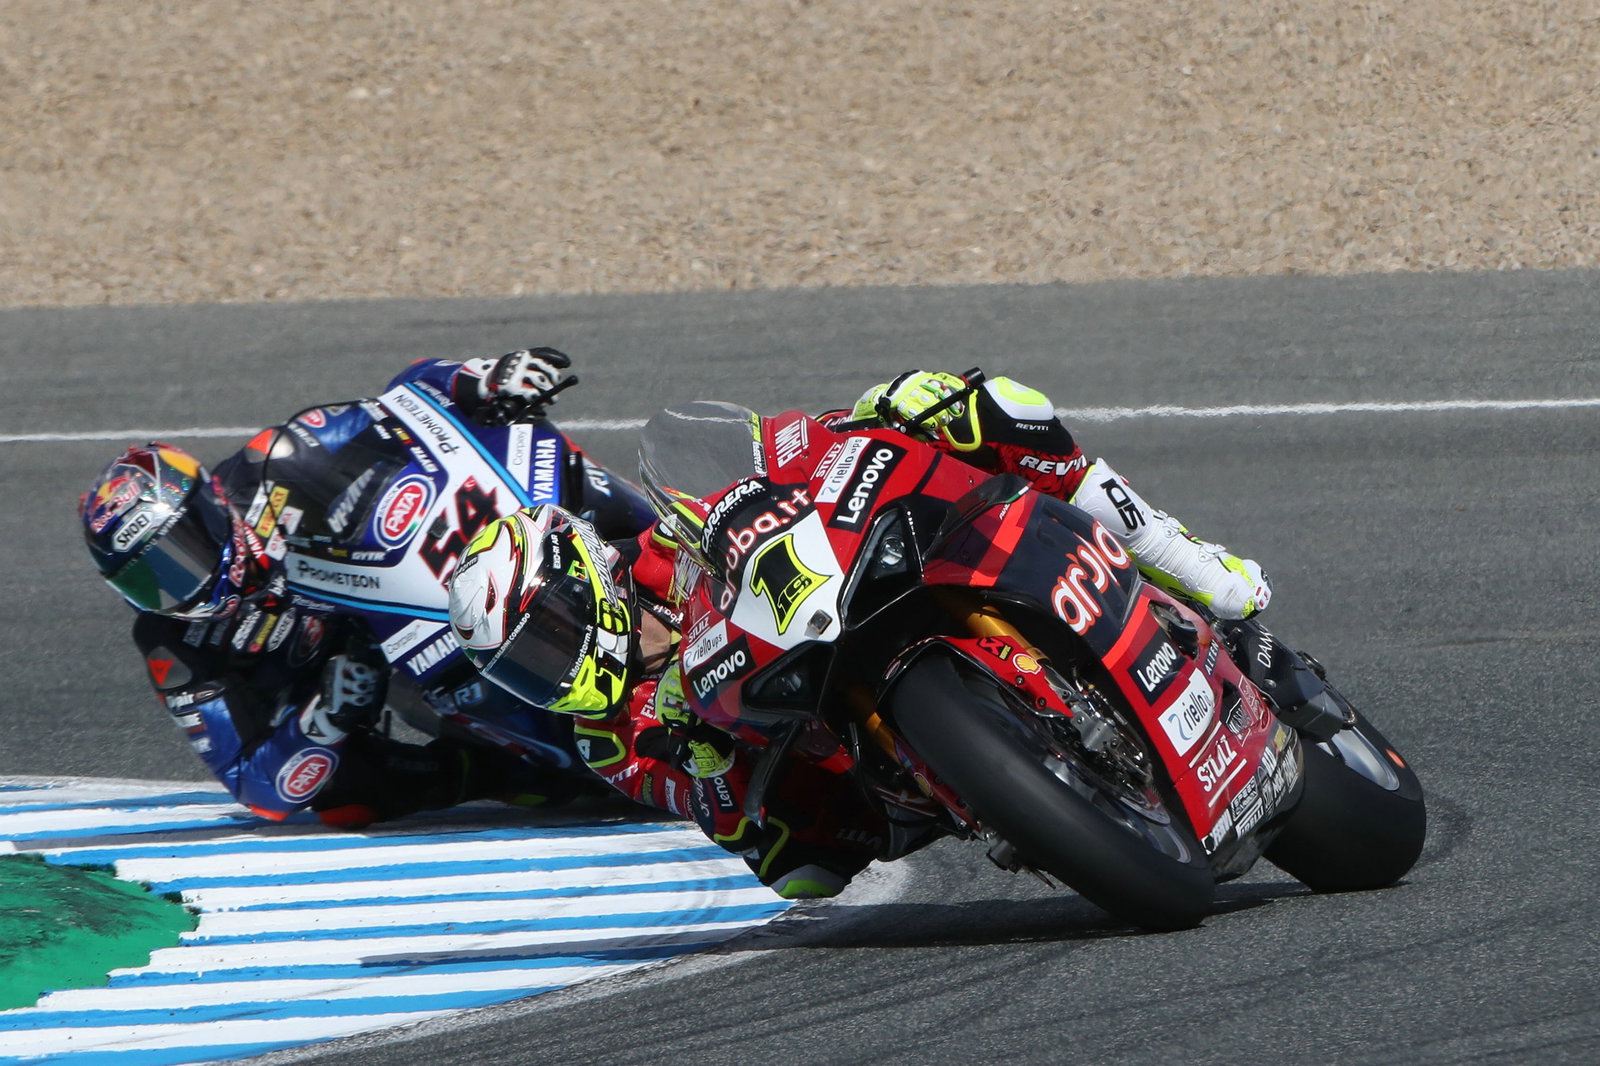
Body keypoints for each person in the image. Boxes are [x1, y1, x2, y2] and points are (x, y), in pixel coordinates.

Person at [443, 368, 1274, 898]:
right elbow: (722, 820)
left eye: (546, 636)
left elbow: (776, 450)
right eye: (526, 668)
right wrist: (697, 763)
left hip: (855, 585)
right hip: (830, 744)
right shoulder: (606, 738)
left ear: (580, 573)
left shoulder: (664, 542)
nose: (551, 669)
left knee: (986, 408)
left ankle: (1181, 559)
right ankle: (1006, 784)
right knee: (795, 872)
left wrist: (857, 423)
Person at [81, 347, 654, 828]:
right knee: (343, 801)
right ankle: (507, 772)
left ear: (207, 508)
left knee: (564, 475)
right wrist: (326, 717)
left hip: (414, 576)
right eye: (145, 581)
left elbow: (402, 400)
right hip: (361, 673)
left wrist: (482, 381)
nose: (177, 588)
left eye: (178, 558)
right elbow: (251, 785)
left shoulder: (275, 460)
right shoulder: (172, 648)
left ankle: (667, 540)